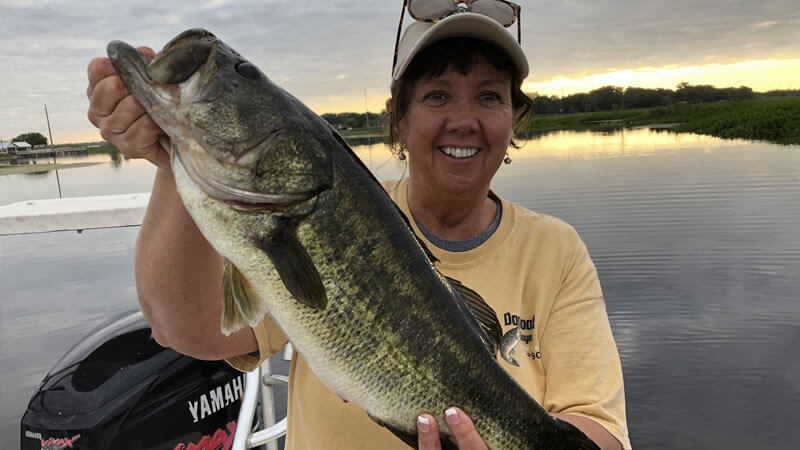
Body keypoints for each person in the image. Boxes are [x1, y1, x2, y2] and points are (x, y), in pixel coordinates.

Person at [87, 2, 631, 449]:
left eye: (489, 96)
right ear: (398, 117)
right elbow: (185, 329)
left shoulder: (555, 251)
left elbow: (599, 430)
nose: (463, 119)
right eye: (437, 95)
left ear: (516, 118)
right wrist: (173, 155)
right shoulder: (293, 217)